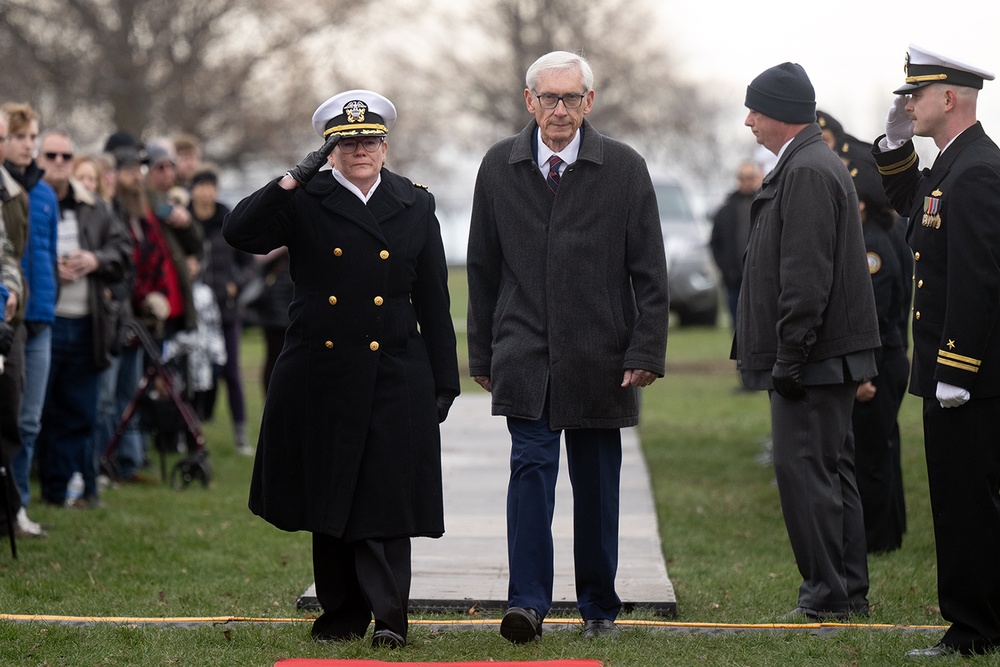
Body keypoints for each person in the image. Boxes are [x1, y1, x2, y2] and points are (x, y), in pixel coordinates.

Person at [223, 89, 460, 649]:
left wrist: (444, 380)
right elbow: (240, 232)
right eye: (348, 141)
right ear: (329, 149)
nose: (361, 150)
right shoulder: (306, 197)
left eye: (370, 140)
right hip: (320, 371)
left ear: (385, 145)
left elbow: (433, 301)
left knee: (385, 495)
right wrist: (290, 179)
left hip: (394, 369)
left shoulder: (414, 202)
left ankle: (391, 618)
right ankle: (342, 615)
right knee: (329, 495)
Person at [466, 51, 670, 643]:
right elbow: (481, 268)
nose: (560, 110)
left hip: (603, 358)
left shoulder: (625, 169)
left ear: (589, 102)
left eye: (572, 99)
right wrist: (483, 355)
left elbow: (651, 273)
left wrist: (645, 351)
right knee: (530, 472)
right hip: (525, 354)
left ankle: (599, 607)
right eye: (549, 98)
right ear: (528, 101)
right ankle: (526, 603)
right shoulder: (498, 166)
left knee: (598, 485)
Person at [733, 63, 881, 621]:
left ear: (779, 113)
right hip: (822, 357)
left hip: (814, 359)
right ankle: (844, 592)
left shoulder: (808, 172)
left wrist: (789, 356)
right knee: (828, 470)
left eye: (755, 109)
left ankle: (827, 597)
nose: (748, 121)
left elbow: (806, 276)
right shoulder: (807, 164)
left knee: (806, 474)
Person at [872, 44, 1000, 659]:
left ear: (948, 98)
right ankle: (973, 622)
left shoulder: (976, 171)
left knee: (967, 503)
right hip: (955, 372)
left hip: (968, 377)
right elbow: (916, 212)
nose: (906, 104)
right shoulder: (955, 164)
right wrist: (896, 148)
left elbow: (979, 278)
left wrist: (956, 367)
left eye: (914, 95)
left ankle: (975, 629)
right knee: (956, 500)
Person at [34, 129, 132, 508]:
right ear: (39, 160)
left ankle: (66, 491)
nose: (59, 163)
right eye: (51, 156)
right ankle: (37, 491)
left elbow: (122, 250)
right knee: (37, 412)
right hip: (43, 321)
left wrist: (94, 260)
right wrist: (47, 269)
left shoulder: (93, 205)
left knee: (80, 412)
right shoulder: (30, 201)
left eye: (65, 156)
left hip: (87, 323)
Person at [846, 153, 911, 554]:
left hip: (879, 365)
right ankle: (890, 530)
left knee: (870, 454)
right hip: (889, 360)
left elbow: (876, 315)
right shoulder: (888, 232)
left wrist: (864, 375)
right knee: (884, 446)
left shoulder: (870, 244)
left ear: (863, 201)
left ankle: (876, 540)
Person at [2, 102, 60, 533]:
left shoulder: (43, 193)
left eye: (32, 136)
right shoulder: (6, 189)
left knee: (30, 418)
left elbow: (47, 255)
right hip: (11, 316)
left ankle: (17, 506)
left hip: (42, 314)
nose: (28, 144)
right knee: (11, 414)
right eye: (20, 136)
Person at [188, 164, 255, 454]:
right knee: (192, 373)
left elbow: (251, 263)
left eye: (210, 187)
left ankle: (241, 436)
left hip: (225, 311)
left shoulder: (229, 219)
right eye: (200, 186)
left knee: (231, 372)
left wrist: (235, 283)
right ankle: (189, 434)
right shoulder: (185, 221)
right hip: (192, 313)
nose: (205, 193)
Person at [709, 161, 763, 330]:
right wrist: (725, 269)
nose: (747, 181)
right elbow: (715, 243)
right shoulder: (725, 210)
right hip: (733, 279)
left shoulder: (765, 205)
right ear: (738, 179)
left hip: (759, 279)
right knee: (737, 325)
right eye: (744, 178)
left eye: (751, 177)